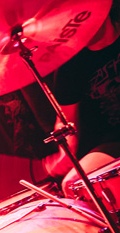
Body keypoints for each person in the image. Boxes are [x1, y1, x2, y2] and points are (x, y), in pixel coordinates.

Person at [46, 2, 120, 194]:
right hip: (114, 140)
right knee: (72, 185)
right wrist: (66, 149)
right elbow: (65, 118)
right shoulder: (70, 65)